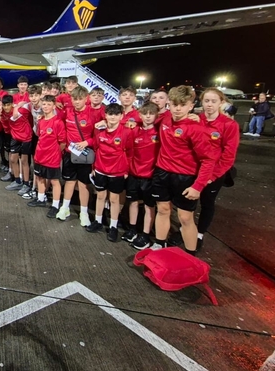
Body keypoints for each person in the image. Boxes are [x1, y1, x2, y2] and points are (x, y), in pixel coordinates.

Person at [151, 86, 218, 254]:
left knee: (185, 217)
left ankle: (190, 255)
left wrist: (198, 186)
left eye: (183, 104)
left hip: (185, 177)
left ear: (191, 105)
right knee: (163, 210)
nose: (178, 108)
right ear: (169, 104)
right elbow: (142, 117)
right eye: (174, 104)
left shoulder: (196, 128)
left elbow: (208, 159)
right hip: (162, 172)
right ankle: (160, 244)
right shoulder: (165, 119)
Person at [195, 88, 240, 250]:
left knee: (207, 202)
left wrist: (212, 176)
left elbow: (228, 156)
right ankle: (186, 229)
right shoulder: (196, 120)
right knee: (188, 203)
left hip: (213, 172)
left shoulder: (229, 125)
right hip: (193, 170)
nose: (209, 105)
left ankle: (199, 233)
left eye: (214, 101)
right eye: (206, 101)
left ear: (221, 103)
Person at [56, 86, 103, 226]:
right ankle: (65, 208)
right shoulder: (67, 112)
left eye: (79, 99)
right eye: (74, 99)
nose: (76, 102)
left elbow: (98, 137)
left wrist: (86, 142)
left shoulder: (94, 114)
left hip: (85, 154)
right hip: (70, 153)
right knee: (69, 182)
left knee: (83, 185)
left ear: (86, 99)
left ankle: (84, 213)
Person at [86, 103, 131, 241]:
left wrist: (126, 169)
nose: (113, 117)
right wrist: (93, 167)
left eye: (116, 114)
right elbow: (96, 148)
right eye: (110, 114)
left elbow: (129, 152)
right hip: (100, 169)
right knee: (100, 196)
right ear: (105, 115)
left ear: (121, 116)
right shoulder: (99, 130)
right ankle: (98, 221)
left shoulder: (126, 131)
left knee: (114, 199)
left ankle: (113, 226)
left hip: (117, 171)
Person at [126, 102, 160, 250]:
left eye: (151, 114)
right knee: (133, 202)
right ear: (140, 115)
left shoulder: (159, 132)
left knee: (149, 206)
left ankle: (146, 234)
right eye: (144, 114)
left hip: (150, 175)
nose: (147, 116)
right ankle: (132, 229)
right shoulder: (135, 130)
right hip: (134, 173)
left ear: (156, 116)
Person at [27, 95, 66, 214]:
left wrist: (54, 152)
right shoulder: (41, 120)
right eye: (44, 104)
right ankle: (40, 198)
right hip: (39, 156)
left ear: (54, 106)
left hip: (52, 158)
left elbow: (63, 142)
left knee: (54, 181)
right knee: (40, 178)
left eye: (49, 104)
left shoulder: (58, 122)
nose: (46, 106)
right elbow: (39, 136)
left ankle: (55, 205)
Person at [0, 95, 34, 196]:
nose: (6, 107)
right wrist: (1, 119)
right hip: (15, 137)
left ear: (12, 104)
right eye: (4, 105)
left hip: (26, 138)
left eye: (8, 105)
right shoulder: (3, 113)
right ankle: (18, 181)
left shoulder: (21, 111)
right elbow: (6, 128)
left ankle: (26, 184)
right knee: (13, 159)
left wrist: (19, 106)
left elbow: (32, 111)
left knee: (24, 161)